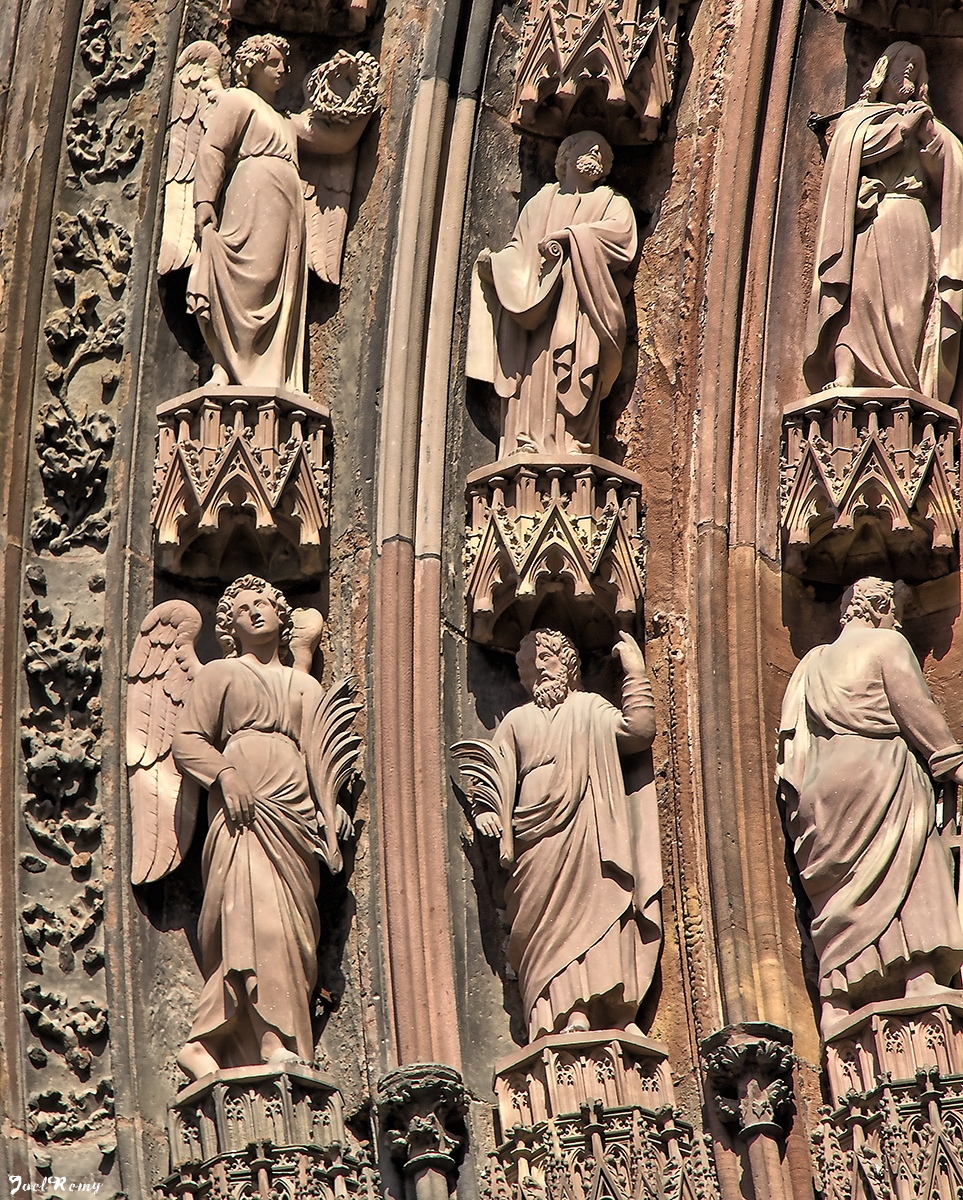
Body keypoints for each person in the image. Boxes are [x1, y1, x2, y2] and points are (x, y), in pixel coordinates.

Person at [171, 575, 352, 1077]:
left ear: (280, 614)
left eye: (263, 603)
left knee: (291, 928)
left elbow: (320, 751)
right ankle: (251, 1039)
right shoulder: (221, 675)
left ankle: (251, 1039)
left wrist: (328, 810)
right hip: (244, 808)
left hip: (294, 812)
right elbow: (186, 741)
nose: (254, 612)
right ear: (229, 626)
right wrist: (225, 774)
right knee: (252, 919)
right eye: (242, 608)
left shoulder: (303, 683)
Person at [776, 577, 963, 1035]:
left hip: (825, 788)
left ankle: (836, 998)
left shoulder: (810, 663)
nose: (897, 619)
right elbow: (914, 709)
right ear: (878, 607)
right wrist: (951, 761)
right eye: (894, 610)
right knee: (910, 869)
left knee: (843, 894)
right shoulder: (887, 643)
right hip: (879, 771)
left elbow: (792, 747)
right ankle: (919, 978)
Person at [473, 629, 661, 1039]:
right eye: (526, 665)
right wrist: (489, 812)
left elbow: (639, 732)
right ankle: (562, 1013)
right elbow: (496, 774)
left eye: (545, 658)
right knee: (548, 926)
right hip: (536, 841)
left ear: (569, 662)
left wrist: (634, 673)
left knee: (601, 910)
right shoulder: (517, 721)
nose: (536, 669)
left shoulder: (591, 708)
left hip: (589, 828)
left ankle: (613, 1008)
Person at [187, 35, 370, 390]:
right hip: (251, 199)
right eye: (273, 62)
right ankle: (226, 366)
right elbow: (212, 148)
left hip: (286, 211)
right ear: (251, 66)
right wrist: (205, 202)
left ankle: (271, 374)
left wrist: (360, 87)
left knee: (274, 282)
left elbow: (340, 141)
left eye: (284, 63)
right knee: (246, 283)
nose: (282, 69)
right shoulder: (239, 101)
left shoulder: (287, 122)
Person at [804, 42, 963, 403]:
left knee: (907, 304)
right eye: (903, 59)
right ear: (882, 68)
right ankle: (845, 372)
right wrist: (902, 130)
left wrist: (929, 138)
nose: (909, 67)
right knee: (858, 296)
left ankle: (903, 377)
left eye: (917, 64)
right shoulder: (857, 119)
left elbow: (951, 177)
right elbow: (852, 151)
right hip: (870, 222)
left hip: (910, 219)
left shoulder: (929, 125)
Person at [467, 132, 637, 458]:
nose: (596, 153)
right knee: (536, 372)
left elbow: (623, 238)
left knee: (578, 365)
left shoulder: (612, 203)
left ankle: (574, 442)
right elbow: (520, 251)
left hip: (583, 308)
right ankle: (527, 440)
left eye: (603, 151)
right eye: (589, 147)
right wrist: (498, 266)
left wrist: (572, 237)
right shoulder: (540, 203)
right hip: (538, 312)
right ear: (566, 155)